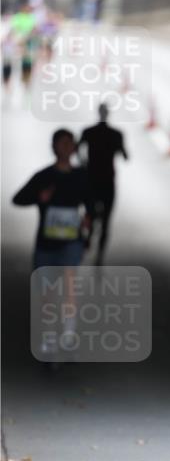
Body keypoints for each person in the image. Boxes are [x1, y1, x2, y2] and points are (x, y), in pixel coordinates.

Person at [12, 129, 93, 357]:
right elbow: (18, 199)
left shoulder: (81, 176)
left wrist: (88, 220)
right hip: (46, 243)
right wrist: (39, 197)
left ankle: (68, 337)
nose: (66, 147)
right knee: (47, 294)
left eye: (70, 143)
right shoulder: (44, 177)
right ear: (54, 147)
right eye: (62, 143)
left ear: (74, 147)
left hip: (71, 241)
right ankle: (49, 339)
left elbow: (92, 204)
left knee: (69, 286)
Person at [78, 103, 129, 264]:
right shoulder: (115, 134)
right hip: (108, 180)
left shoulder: (89, 132)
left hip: (92, 179)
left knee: (91, 214)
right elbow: (125, 156)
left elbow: (77, 149)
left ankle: (88, 240)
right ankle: (99, 254)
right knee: (106, 220)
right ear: (108, 114)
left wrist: (83, 163)